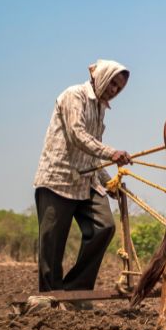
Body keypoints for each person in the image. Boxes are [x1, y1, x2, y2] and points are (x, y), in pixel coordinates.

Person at [32, 59, 133, 294]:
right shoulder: (73, 95)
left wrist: (109, 181)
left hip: (86, 180)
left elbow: (91, 153)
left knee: (104, 227)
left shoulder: (100, 108)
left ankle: (77, 289)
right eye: (112, 84)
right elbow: (78, 135)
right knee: (52, 244)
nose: (114, 90)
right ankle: (50, 295)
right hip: (58, 179)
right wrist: (112, 152)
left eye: (119, 88)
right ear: (102, 77)